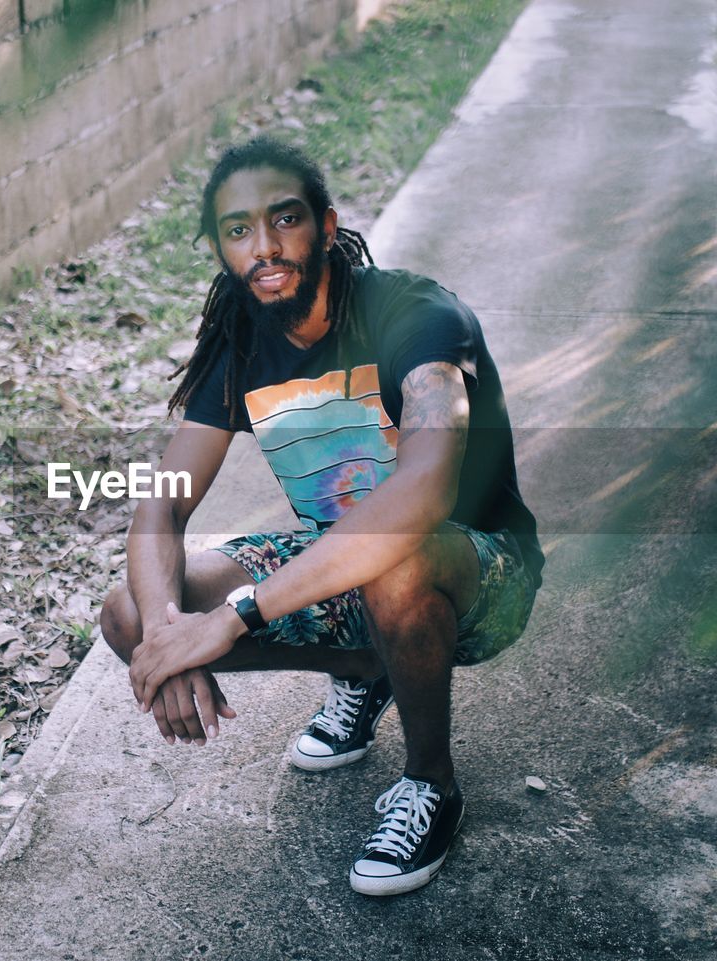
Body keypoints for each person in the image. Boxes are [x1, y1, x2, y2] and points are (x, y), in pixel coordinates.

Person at [99, 136, 543, 897]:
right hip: (343, 567)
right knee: (127, 612)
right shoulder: (239, 342)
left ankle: (430, 784)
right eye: (238, 230)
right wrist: (171, 632)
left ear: (327, 227)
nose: (264, 246)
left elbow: (426, 491)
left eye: (284, 219)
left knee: (396, 558)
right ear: (220, 250)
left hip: (477, 569)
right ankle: (367, 670)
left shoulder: (413, 314)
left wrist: (235, 615)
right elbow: (162, 502)